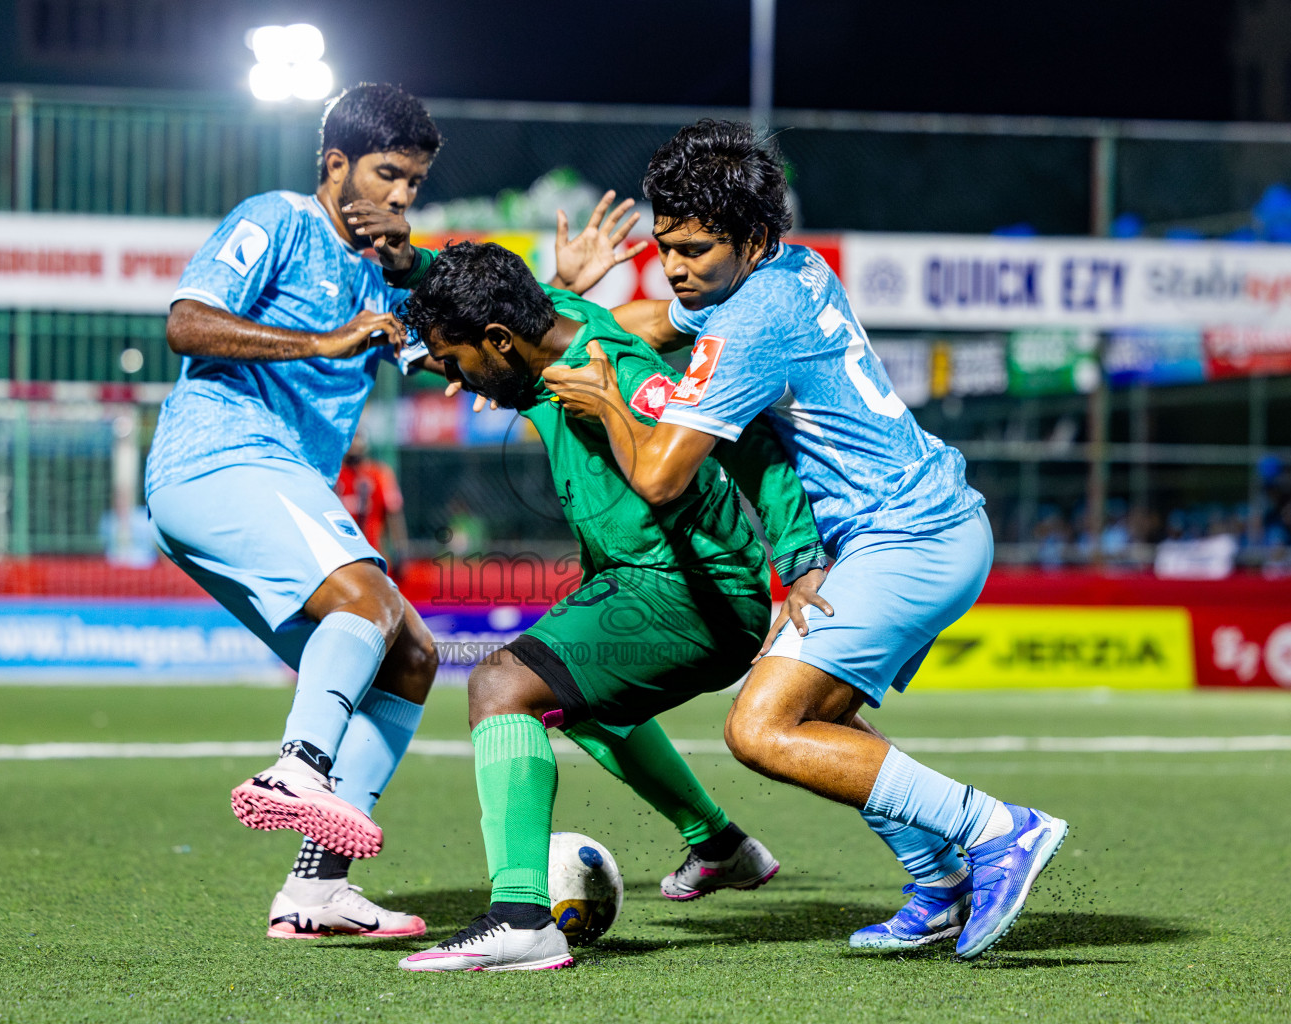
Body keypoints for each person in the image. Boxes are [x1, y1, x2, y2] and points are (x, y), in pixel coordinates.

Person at [544, 120, 1068, 959]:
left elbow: (659, 479)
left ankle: (1000, 830)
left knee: (760, 728)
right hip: (922, 527)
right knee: (824, 714)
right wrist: (568, 310)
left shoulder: (750, 324)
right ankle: (938, 882)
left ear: (750, 239)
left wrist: (606, 401)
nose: (675, 266)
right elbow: (653, 322)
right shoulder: (789, 268)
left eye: (694, 250)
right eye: (665, 244)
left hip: (909, 539)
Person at [393, 242, 831, 972]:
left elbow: (748, 438)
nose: (457, 379)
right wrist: (406, 255)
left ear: (499, 341)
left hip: (694, 592)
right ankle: (721, 845)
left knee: (501, 686)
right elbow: (486, 287)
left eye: (457, 360)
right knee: (572, 700)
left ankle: (521, 919)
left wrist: (798, 559)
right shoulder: (541, 326)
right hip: (640, 580)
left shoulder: (613, 375)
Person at [145, 83, 446, 940]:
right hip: (217, 455)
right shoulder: (277, 218)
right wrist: (323, 341)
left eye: (414, 184)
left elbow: (452, 367)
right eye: (387, 175)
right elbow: (188, 324)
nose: (399, 197)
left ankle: (315, 891)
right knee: (368, 601)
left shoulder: (382, 270)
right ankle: (296, 771)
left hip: (278, 482)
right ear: (336, 164)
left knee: (411, 657)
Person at [336, 430, 407, 566]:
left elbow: (393, 512)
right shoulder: (336, 476)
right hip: (340, 554)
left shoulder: (377, 473)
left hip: (371, 552)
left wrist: (400, 549)